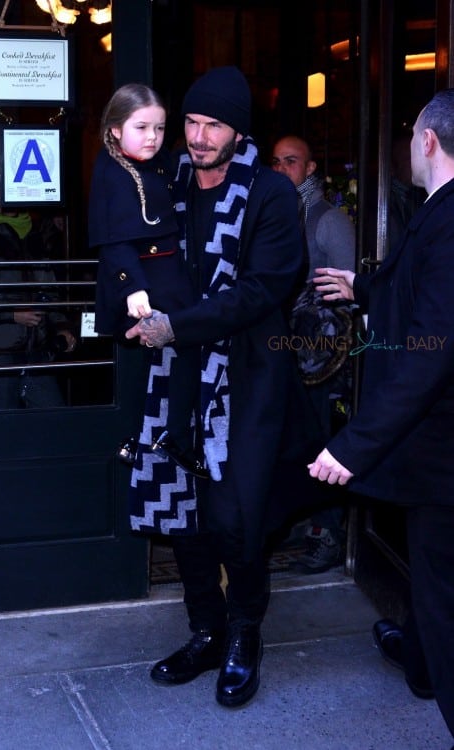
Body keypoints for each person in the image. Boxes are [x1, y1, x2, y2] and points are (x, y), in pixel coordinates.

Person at [124, 65, 322, 707]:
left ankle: (244, 636)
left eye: (215, 126)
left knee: (236, 521)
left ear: (239, 133)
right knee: (184, 520)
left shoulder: (269, 194)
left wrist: (175, 324)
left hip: (244, 381)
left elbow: (263, 290)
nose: (201, 136)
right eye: (192, 122)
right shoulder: (166, 183)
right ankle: (205, 632)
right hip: (172, 377)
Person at [308, 89, 454, 743]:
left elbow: (433, 349)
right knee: (435, 581)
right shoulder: (438, 215)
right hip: (436, 455)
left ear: (427, 140)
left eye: (411, 138)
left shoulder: (448, 220)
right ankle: (420, 663)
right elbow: (424, 293)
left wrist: (352, 445)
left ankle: (435, 669)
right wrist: (363, 287)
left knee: (444, 594)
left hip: (442, 453)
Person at [88, 82, 207, 478]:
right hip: (144, 281)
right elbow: (113, 241)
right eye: (142, 127)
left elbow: (176, 169)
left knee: (185, 348)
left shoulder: (153, 159)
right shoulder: (110, 171)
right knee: (175, 347)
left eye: (159, 128)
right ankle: (153, 437)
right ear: (116, 128)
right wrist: (132, 287)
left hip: (166, 272)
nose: (153, 138)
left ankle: (160, 436)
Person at [271, 135, 356, 573]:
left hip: (320, 355)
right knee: (294, 439)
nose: (282, 167)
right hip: (287, 349)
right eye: (277, 161)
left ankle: (328, 531)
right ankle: (299, 519)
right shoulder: (280, 214)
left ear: (310, 169)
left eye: (292, 161)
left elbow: (347, 293)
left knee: (322, 438)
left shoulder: (328, 218)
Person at [0, 187, 76, 409]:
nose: (4, 196)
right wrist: (11, 315)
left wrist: (61, 327)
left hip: (36, 346)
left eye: (9, 189)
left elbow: (48, 288)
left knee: (53, 417)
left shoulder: (34, 232)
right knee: (2, 425)